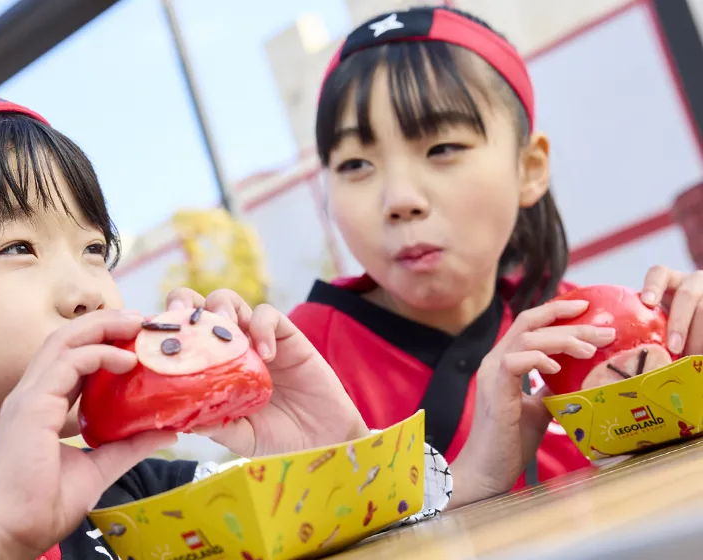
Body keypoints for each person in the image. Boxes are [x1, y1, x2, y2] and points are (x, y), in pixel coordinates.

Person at [0, 89, 563, 559]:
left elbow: (409, 537)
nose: (89, 292)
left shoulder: (151, 501)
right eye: (17, 248)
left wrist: (336, 458)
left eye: (95, 250)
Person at [289, 5, 703, 486]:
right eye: (356, 165)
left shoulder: (591, 330)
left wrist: (685, 386)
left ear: (529, 169)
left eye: (442, 149)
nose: (399, 200)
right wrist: (463, 486)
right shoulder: (299, 362)